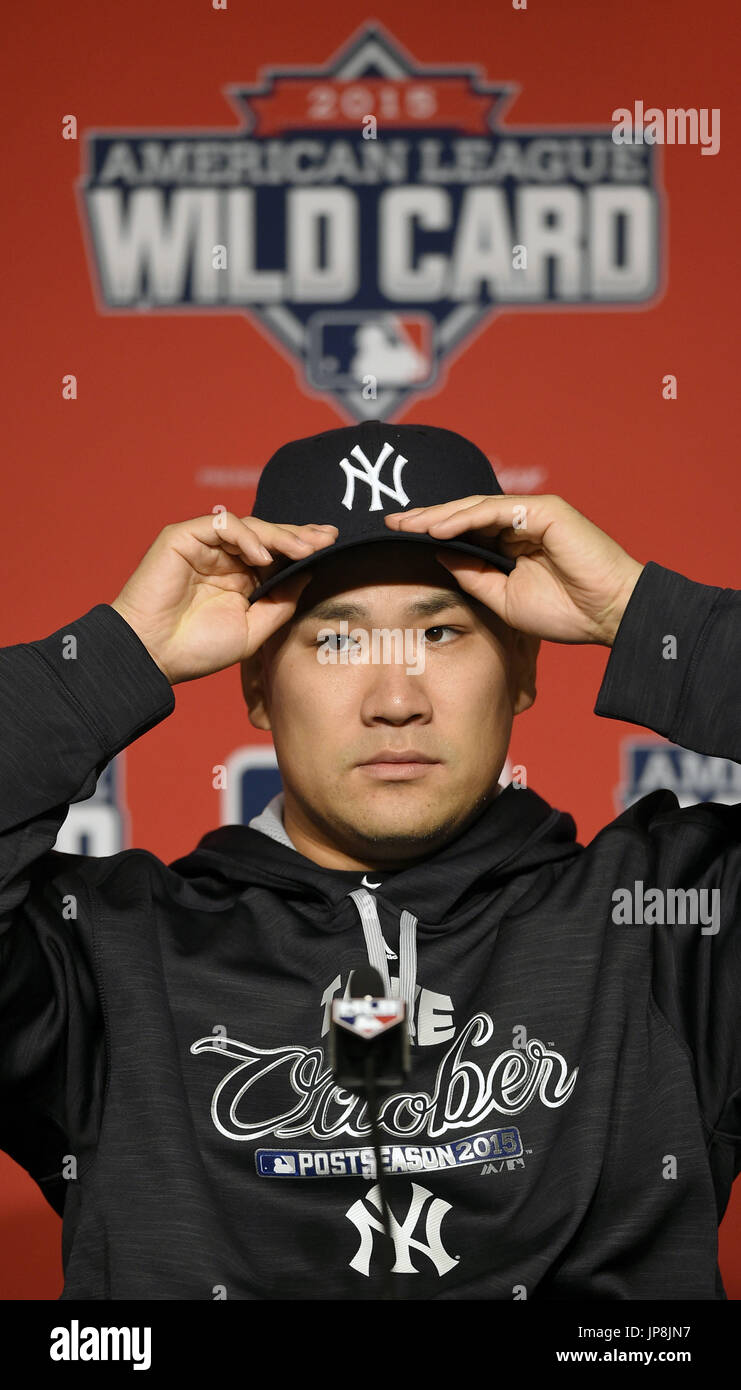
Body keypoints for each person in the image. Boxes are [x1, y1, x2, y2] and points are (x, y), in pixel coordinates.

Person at [0, 418, 738, 1301]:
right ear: (256, 685)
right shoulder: (105, 958)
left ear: (524, 668)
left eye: (441, 634)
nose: (395, 699)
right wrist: (111, 661)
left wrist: (644, 617)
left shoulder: (671, 925)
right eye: (337, 639)